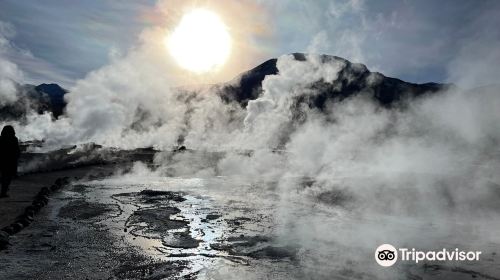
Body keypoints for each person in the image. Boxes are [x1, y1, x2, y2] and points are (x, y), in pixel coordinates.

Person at [0, 125, 20, 198]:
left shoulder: (1, 139)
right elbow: (17, 150)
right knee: (8, 177)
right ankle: (3, 192)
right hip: (11, 160)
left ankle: (3, 191)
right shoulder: (14, 139)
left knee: (3, 176)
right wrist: (17, 156)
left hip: (2, 160)